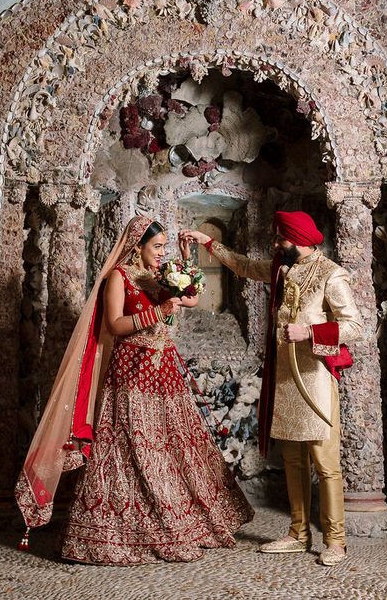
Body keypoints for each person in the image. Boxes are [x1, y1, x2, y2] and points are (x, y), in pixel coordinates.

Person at [16, 215, 254, 565]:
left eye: (162, 247)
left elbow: (188, 300)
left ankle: (182, 521)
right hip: (131, 372)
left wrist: (186, 260)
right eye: (156, 246)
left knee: (173, 445)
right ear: (137, 245)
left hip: (165, 373)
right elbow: (114, 324)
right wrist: (157, 312)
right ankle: (123, 530)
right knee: (134, 448)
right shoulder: (119, 277)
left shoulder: (159, 274)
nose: (160, 252)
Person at [180, 211, 363, 567]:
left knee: (325, 463)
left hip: (314, 378)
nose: (277, 245)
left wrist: (310, 333)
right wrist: (210, 244)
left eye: (282, 239)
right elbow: (246, 266)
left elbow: (354, 326)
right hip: (284, 376)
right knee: (292, 459)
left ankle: (336, 541)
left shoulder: (331, 274)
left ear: (300, 240)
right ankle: (298, 533)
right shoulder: (282, 267)